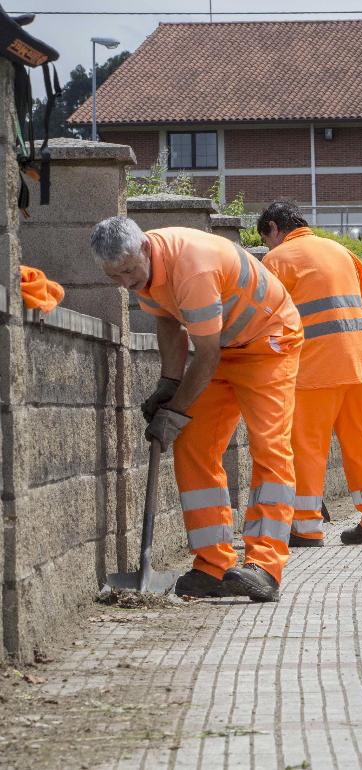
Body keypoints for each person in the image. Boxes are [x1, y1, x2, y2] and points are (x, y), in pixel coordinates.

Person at [90, 217, 301, 602]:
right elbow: (169, 323)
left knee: (269, 446)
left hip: (268, 340)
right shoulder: (145, 271)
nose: (125, 283)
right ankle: (213, 565)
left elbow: (205, 355)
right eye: (114, 277)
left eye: (127, 272)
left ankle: (265, 568)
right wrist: (168, 386)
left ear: (144, 249)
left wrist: (176, 410)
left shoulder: (192, 266)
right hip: (222, 348)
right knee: (192, 446)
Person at [257, 201, 362, 547]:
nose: (268, 246)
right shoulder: (342, 252)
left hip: (315, 368)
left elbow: (267, 320)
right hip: (357, 361)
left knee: (306, 446)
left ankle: (304, 527)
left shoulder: (276, 261)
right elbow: (356, 304)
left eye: (266, 238)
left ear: (274, 228)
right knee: (359, 439)